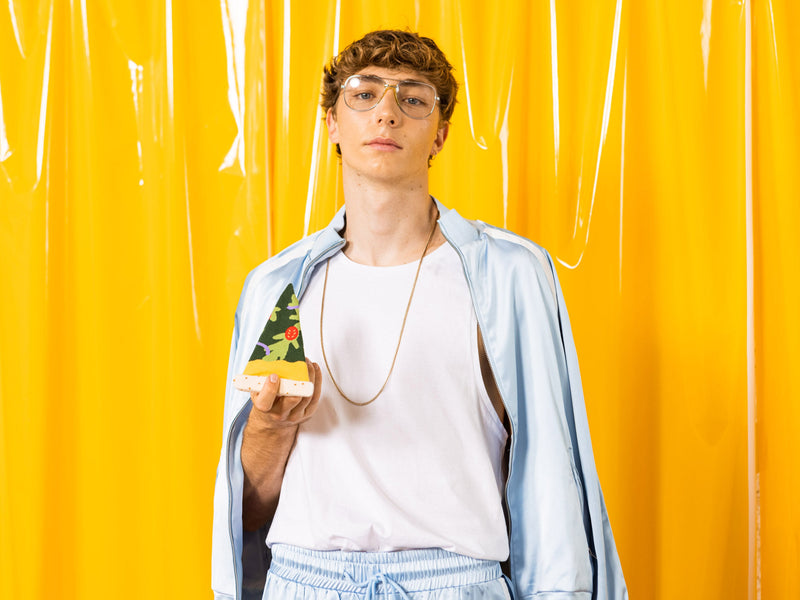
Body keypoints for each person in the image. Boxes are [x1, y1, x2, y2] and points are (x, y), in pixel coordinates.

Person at [212, 29, 627, 600]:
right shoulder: (276, 288)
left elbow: (551, 473)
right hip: (305, 582)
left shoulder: (509, 276)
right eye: (364, 94)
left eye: (412, 98)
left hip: (455, 584)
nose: (386, 113)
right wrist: (271, 425)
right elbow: (248, 512)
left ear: (440, 135)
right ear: (332, 124)